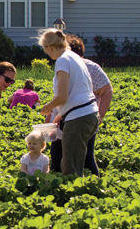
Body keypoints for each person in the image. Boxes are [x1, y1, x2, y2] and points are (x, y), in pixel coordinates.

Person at [48, 34, 114, 176]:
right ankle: (57, 191)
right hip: (63, 120)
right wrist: (54, 115)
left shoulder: (88, 67)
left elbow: (107, 90)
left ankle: (87, 191)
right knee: (58, 158)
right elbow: (63, 96)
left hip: (78, 118)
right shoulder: (65, 64)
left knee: (83, 159)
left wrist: (100, 115)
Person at [39, 29, 99, 177]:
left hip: (78, 118)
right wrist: (60, 114)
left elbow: (62, 96)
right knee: (82, 160)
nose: (47, 54)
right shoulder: (74, 57)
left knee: (70, 167)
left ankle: (74, 197)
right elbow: (80, 89)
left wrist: (47, 108)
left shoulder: (62, 61)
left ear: (50, 47)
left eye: (46, 50)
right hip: (90, 113)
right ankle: (89, 191)